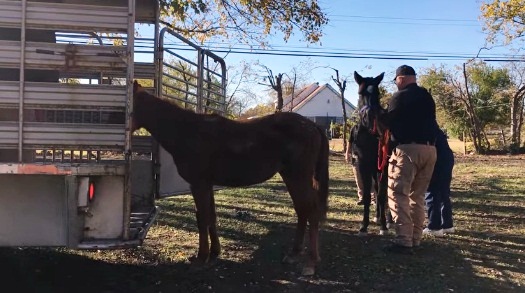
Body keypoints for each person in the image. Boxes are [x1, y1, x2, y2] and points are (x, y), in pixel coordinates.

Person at [383, 65, 439, 253]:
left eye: (396, 80)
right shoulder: (427, 96)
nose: (396, 84)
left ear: (401, 78)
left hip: (407, 150)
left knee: (398, 194)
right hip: (430, 150)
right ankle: (416, 237)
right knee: (418, 196)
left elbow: (386, 123)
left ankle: (404, 239)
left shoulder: (399, 97)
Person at [423, 129, 455, 237]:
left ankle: (434, 226)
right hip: (446, 157)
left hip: (436, 158)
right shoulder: (436, 129)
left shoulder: (424, 128)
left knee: (432, 191)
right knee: (444, 191)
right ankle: (447, 224)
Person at [345, 124, 376, 205]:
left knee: (372, 180)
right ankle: (362, 198)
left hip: (370, 157)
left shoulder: (372, 127)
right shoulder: (355, 128)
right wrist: (347, 152)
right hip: (357, 157)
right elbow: (350, 141)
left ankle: (373, 198)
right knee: (359, 179)